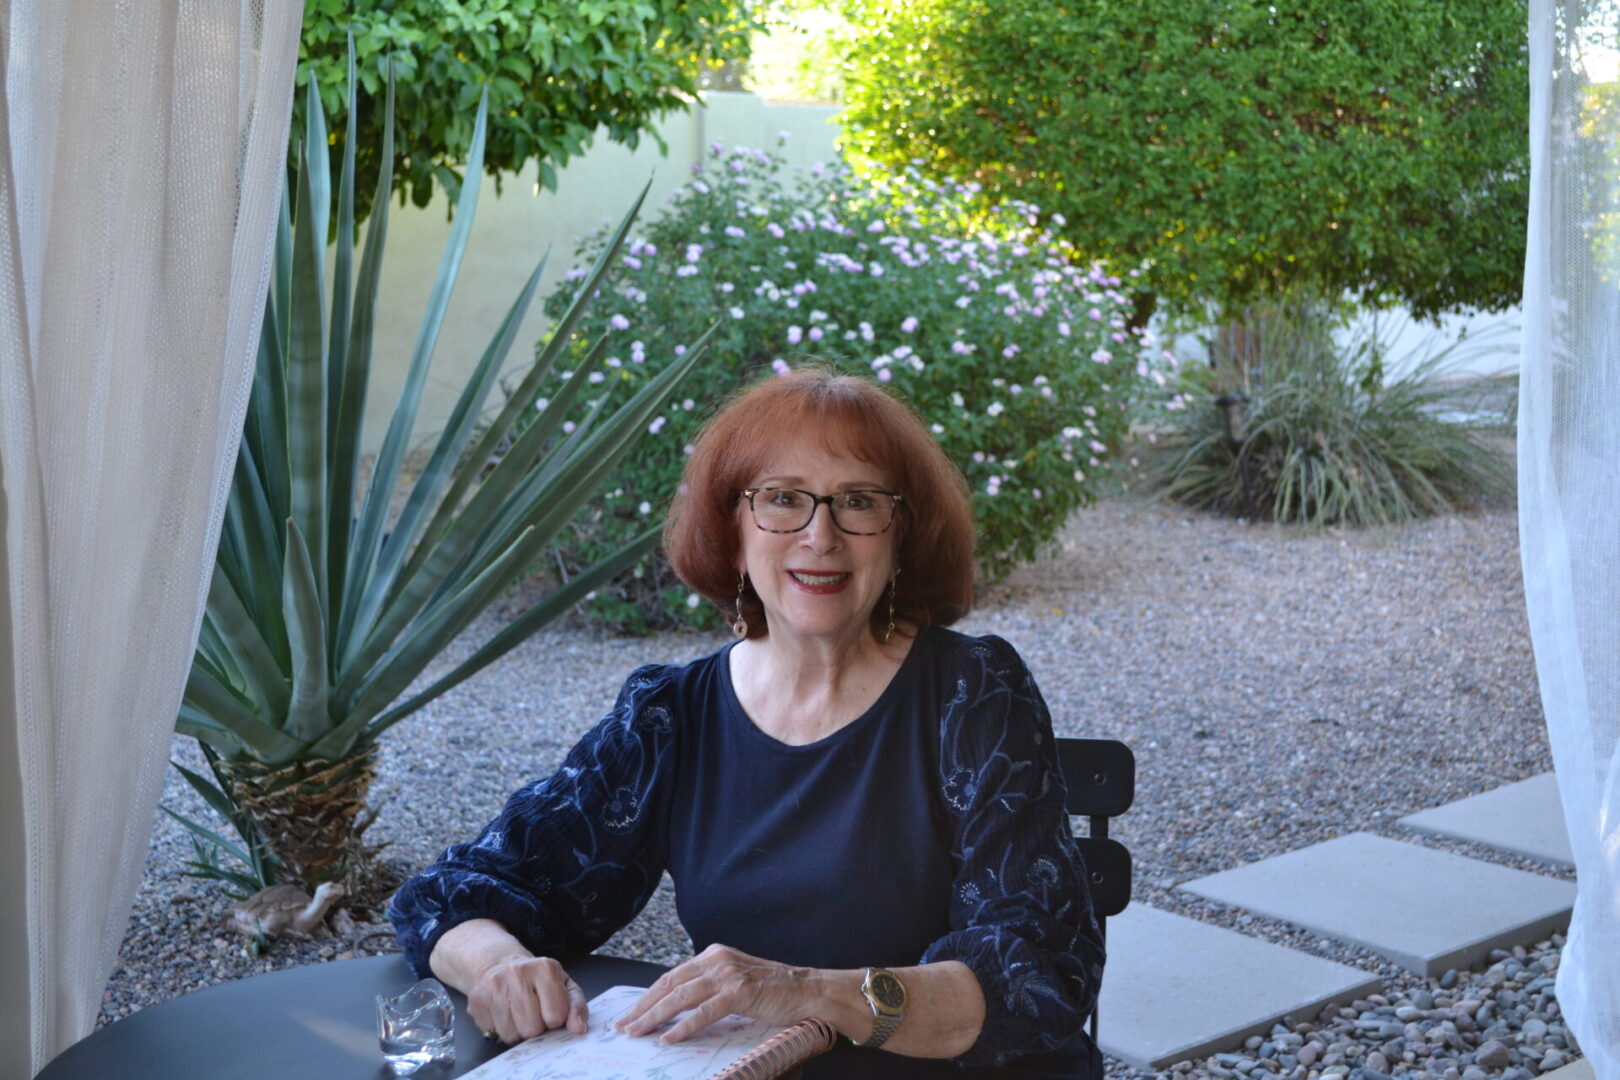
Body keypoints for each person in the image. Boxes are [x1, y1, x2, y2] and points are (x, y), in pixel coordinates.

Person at [389, 366, 1106, 1078]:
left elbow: (1036, 974)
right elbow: (453, 891)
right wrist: (503, 966)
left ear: (900, 537)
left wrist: (807, 994)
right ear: (732, 532)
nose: (819, 536)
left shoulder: (973, 692)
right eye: (782, 499)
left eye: (857, 502)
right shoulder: (672, 716)